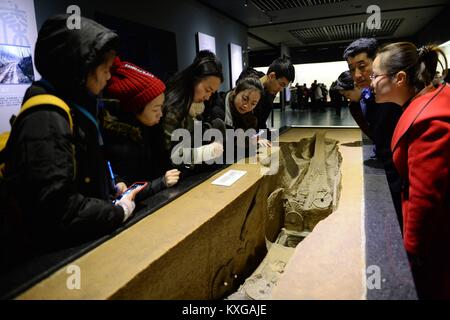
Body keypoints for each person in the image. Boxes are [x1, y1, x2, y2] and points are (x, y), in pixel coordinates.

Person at [0, 15, 142, 271]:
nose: (110, 77)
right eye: (105, 68)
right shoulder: (46, 117)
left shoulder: (71, 107)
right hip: (49, 264)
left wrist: (110, 189)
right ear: (80, 67)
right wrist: (117, 212)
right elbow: (57, 210)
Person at [371, 42, 450, 299]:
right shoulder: (426, 102)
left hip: (435, 241)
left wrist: (413, 250)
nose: (371, 82)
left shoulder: (429, 122)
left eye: (375, 76)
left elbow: (425, 197)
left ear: (400, 78)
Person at [343, 37, 403, 226]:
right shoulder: (371, 99)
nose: (357, 75)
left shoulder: (392, 99)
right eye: (352, 69)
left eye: (363, 66)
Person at [102, 57, 180, 199]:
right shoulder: (119, 142)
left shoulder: (151, 128)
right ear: (136, 108)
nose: (161, 114)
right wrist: (161, 183)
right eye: (156, 109)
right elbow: (126, 192)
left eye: (161, 108)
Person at [161, 50, 224, 167]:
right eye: (207, 90)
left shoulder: (198, 107)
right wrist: (207, 151)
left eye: (212, 92)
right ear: (194, 79)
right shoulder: (173, 109)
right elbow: (170, 155)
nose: (207, 96)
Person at [250, 58, 295, 131]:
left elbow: (260, 125)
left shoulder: (269, 93)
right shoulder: (247, 87)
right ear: (272, 76)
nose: (281, 89)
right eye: (281, 84)